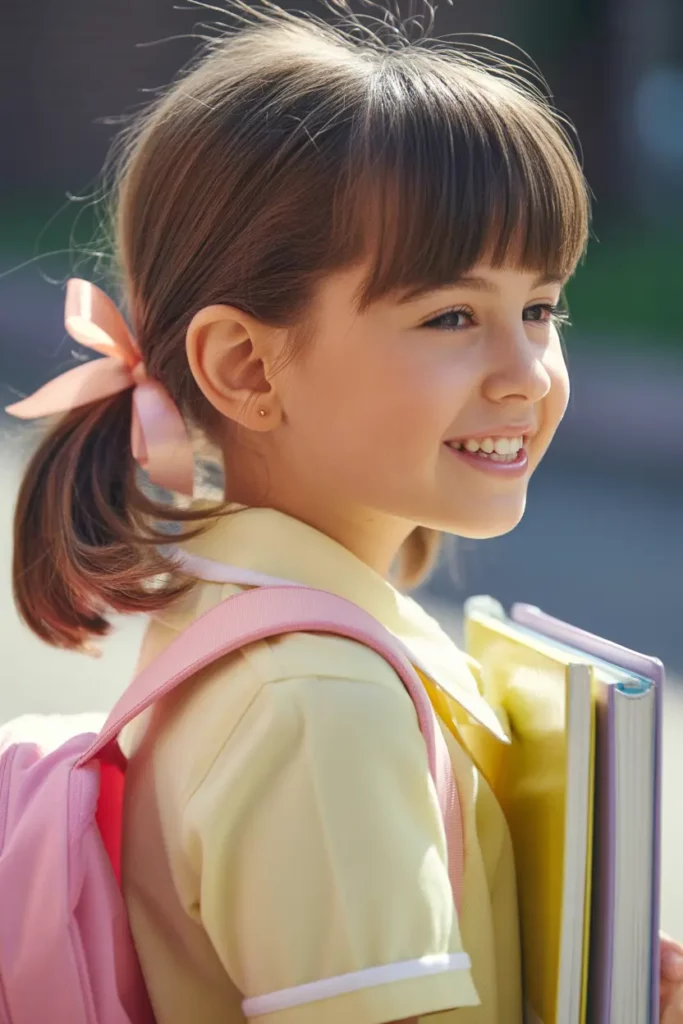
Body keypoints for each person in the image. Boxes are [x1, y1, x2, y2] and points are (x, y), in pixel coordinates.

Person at [7, 5, 683, 1022]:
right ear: (244, 365)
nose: (525, 376)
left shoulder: (241, 605)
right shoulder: (320, 701)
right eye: (451, 316)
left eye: (539, 309)